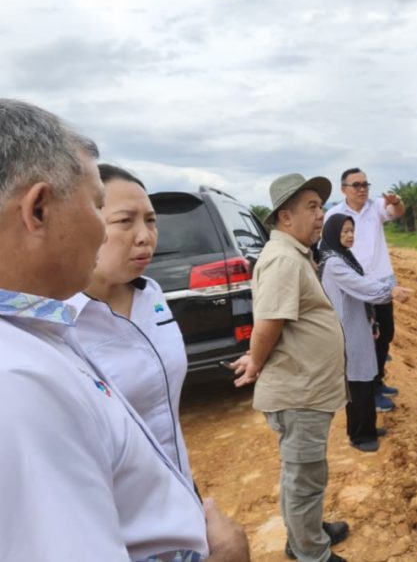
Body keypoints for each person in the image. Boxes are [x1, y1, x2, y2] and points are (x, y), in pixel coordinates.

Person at [0, 99, 249, 561]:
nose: (143, 236)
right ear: (38, 210)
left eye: (151, 221)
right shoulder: (18, 379)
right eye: (99, 208)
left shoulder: (49, 327)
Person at [231, 173, 349, 562]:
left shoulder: (293, 254)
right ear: (286, 216)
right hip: (299, 394)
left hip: (307, 389)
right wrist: (255, 362)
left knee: (302, 473)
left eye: (321, 206)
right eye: (312, 207)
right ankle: (311, 552)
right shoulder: (283, 259)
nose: (321, 215)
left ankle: (305, 534)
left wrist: (255, 357)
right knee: (305, 478)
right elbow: (268, 324)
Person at [66, 164, 193, 487]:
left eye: (150, 221)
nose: (145, 236)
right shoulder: (59, 323)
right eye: (125, 221)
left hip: (178, 482)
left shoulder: (151, 293)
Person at [318, 214, 412, 452]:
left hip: (358, 326)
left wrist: (372, 320)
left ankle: (368, 427)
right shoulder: (334, 263)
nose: (350, 235)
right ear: (333, 234)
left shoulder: (344, 256)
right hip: (347, 330)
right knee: (357, 381)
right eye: (344, 231)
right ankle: (359, 435)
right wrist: (389, 290)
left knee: (365, 378)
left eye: (352, 230)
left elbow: (361, 290)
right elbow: (361, 286)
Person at [325, 168, 406, 413]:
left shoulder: (376, 206)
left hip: (382, 282)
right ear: (344, 189)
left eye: (365, 184)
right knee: (365, 339)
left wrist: (396, 202)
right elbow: (327, 246)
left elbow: (397, 213)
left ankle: (377, 380)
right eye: (356, 185)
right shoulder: (335, 214)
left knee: (386, 333)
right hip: (356, 288)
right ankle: (368, 392)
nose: (362, 189)